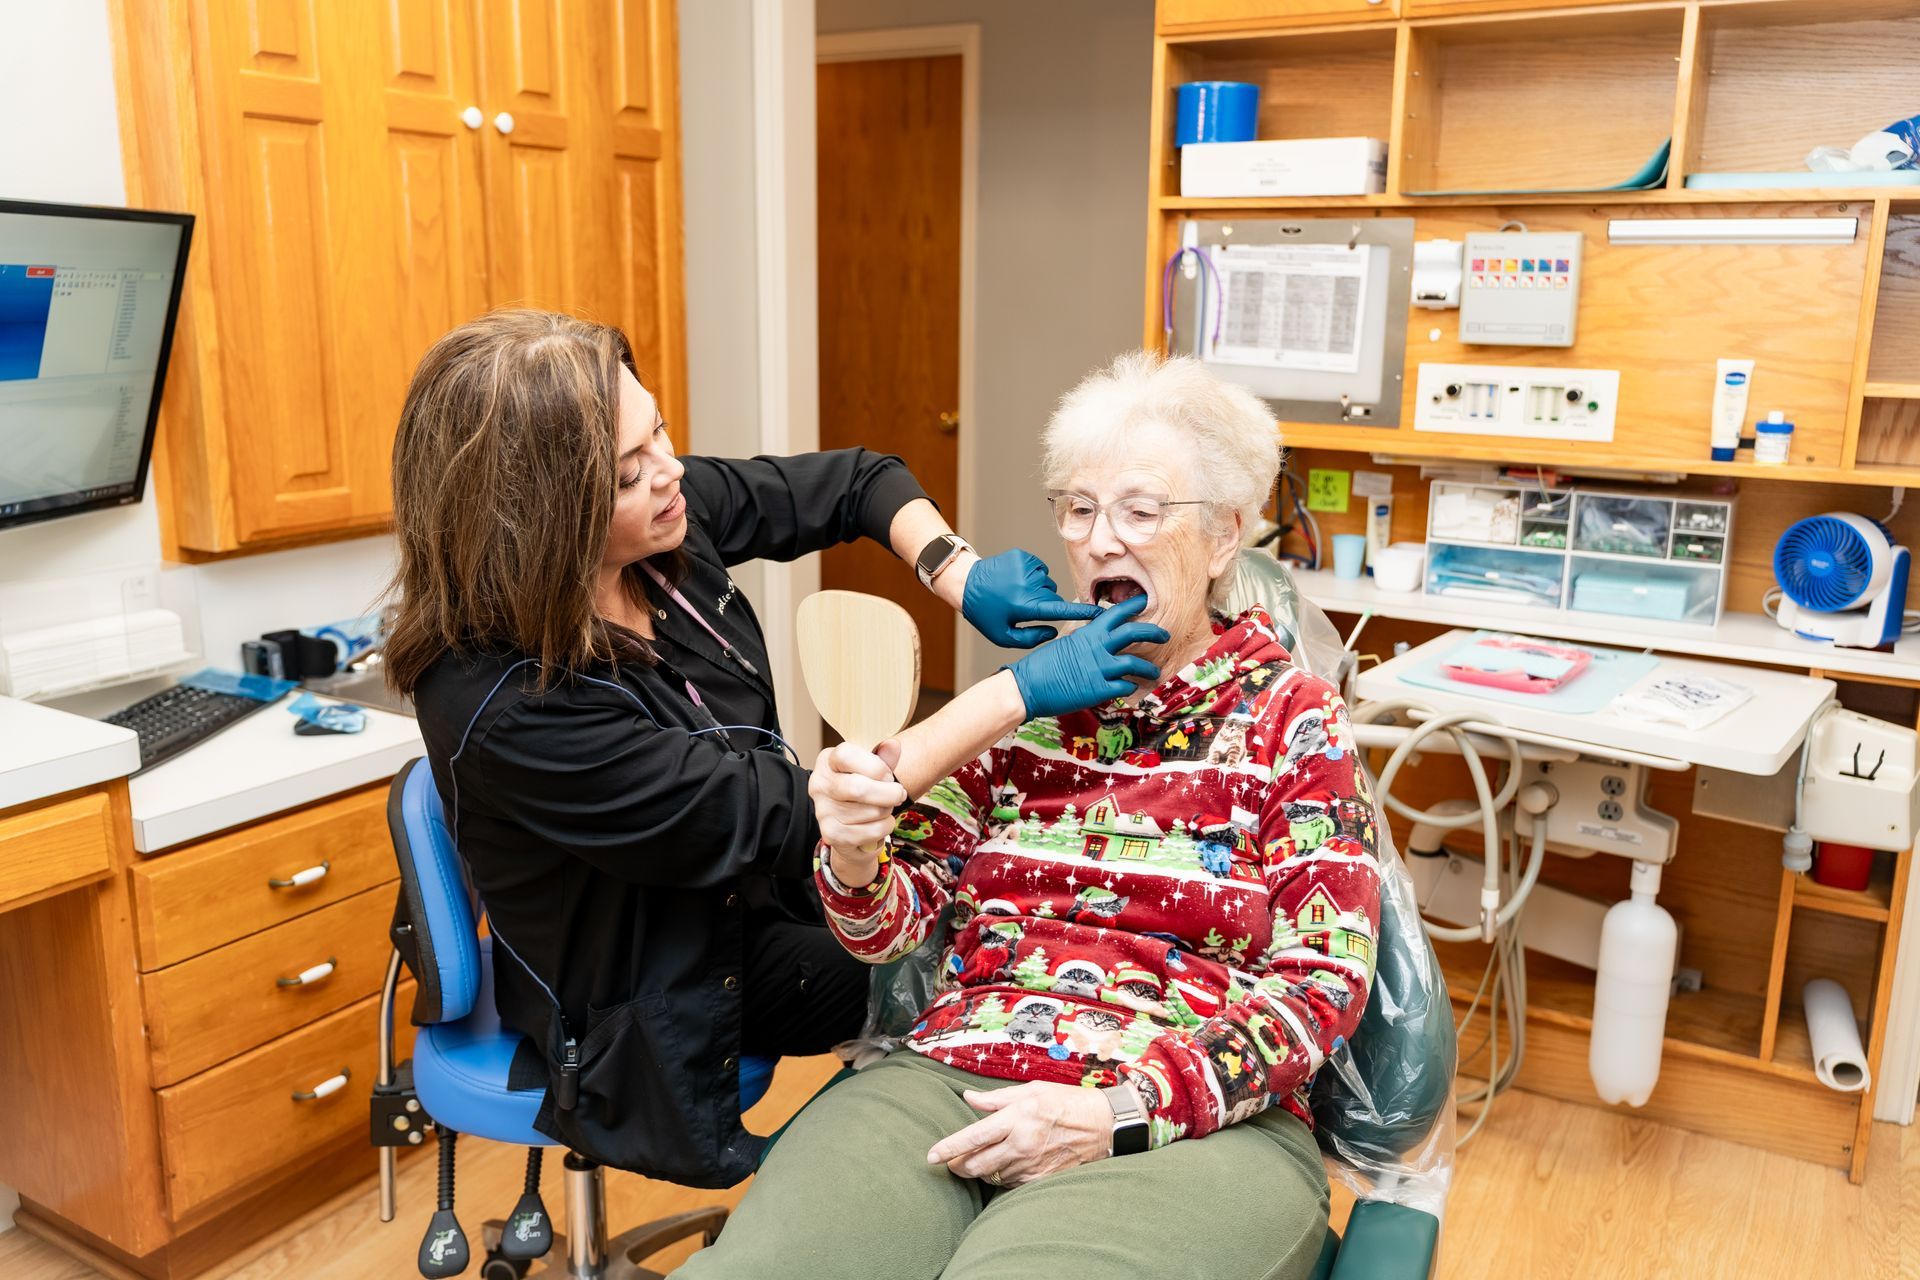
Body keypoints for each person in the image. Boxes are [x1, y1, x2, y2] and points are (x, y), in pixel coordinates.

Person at [383, 310, 1167, 1186]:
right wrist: (1017, 691)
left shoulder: (659, 530)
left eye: (661, 432)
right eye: (630, 470)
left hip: (759, 887)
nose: (672, 473)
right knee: (986, 953)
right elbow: (802, 813)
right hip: (668, 976)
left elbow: (857, 483)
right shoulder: (504, 703)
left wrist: (954, 569)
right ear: (543, 520)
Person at [681, 351, 1383, 1278]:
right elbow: (888, 931)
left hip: (1186, 1118)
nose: (1099, 543)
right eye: (1078, 509)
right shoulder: (1018, 713)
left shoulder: (1294, 721)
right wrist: (852, 857)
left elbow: (1322, 985)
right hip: (950, 1076)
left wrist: (1122, 1109)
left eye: (1139, 510)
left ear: (1222, 538)